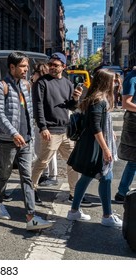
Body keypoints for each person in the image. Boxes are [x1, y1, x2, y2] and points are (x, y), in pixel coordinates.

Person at [0, 51, 52, 231]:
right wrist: (13, 133)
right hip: (8, 140)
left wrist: (33, 132)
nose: (26, 69)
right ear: (12, 67)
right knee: (5, 173)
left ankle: (31, 216)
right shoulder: (1, 86)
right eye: (23, 66)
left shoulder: (26, 85)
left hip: (25, 139)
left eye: (27, 66)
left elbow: (30, 110)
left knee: (26, 177)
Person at [31, 52, 92, 207]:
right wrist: (42, 127)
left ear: (63, 67)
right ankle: (31, 189)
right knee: (42, 162)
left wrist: (76, 98)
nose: (52, 67)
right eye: (50, 64)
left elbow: (70, 106)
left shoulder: (67, 83)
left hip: (66, 131)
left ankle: (74, 194)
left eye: (55, 65)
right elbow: (37, 106)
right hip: (50, 130)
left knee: (73, 163)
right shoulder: (42, 82)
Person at [66, 69, 123, 227]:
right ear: (105, 82)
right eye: (113, 80)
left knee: (89, 177)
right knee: (105, 177)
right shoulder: (99, 100)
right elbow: (95, 127)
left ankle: (75, 211)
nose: (115, 83)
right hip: (95, 147)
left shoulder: (98, 98)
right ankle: (106, 216)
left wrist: (110, 131)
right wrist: (106, 149)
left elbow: (99, 122)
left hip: (91, 145)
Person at [31, 62, 58, 205]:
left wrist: (42, 125)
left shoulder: (40, 85)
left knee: (43, 152)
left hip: (44, 125)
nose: (31, 75)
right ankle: (48, 175)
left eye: (34, 73)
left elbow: (39, 107)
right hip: (47, 124)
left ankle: (47, 176)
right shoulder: (47, 84)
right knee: (47, 151)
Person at [114, 66, 136, 203]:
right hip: (134, 123)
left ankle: (122, 192)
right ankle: (122, 192)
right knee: (133, 161)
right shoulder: (132, 78)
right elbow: (126, 103)